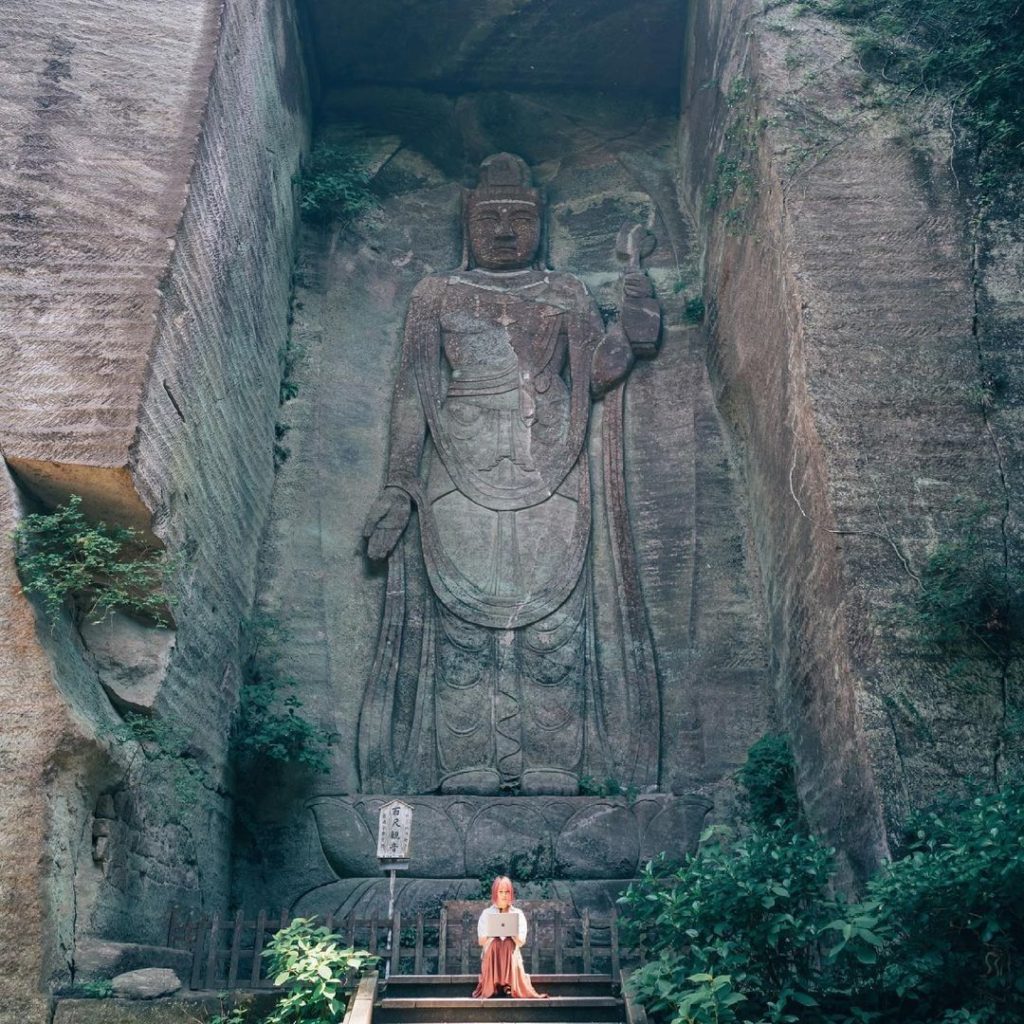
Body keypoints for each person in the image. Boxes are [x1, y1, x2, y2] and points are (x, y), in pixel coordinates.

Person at [358, 153, 662, 797]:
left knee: (554, 624)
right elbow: (414, 391)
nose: (503, 230)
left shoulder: (565, 293)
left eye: (518, 218)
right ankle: (463, 767)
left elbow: (595, 375)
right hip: (457, 460)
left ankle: (553, 762)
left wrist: (633, 308)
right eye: (489, 217)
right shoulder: (437, 294)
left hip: (552, 459)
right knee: (462, 624)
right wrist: (396, 482)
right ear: (467, 222)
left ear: (540, 223)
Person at [473, 876, 547, 999]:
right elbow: (481, 941)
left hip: (511, 955)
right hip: (492, 956)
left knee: (508, 943)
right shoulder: (486, 913)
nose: (504, 895)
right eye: (500, 892)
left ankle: (508, 984)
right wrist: (493, 933)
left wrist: (511, 931)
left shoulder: (517, 913)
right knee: (496, 942)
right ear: (495, 893)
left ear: (511, 894)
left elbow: (521, 941)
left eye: (507, 892)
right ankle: (494, 984)